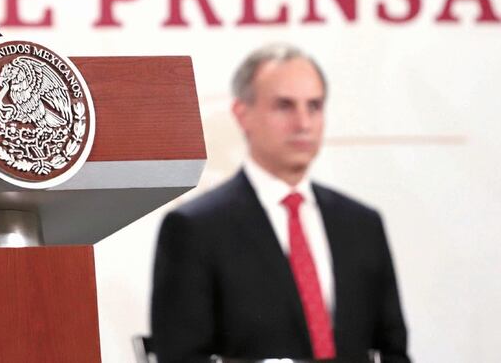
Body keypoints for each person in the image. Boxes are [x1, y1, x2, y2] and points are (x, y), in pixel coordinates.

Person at [151, 44, 410, 362]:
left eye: (314, 106)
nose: (303, 123)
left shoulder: (362, 224)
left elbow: (393, 351)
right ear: (242, 114)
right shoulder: (195, 229)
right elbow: (180, 357)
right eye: (285, 106)